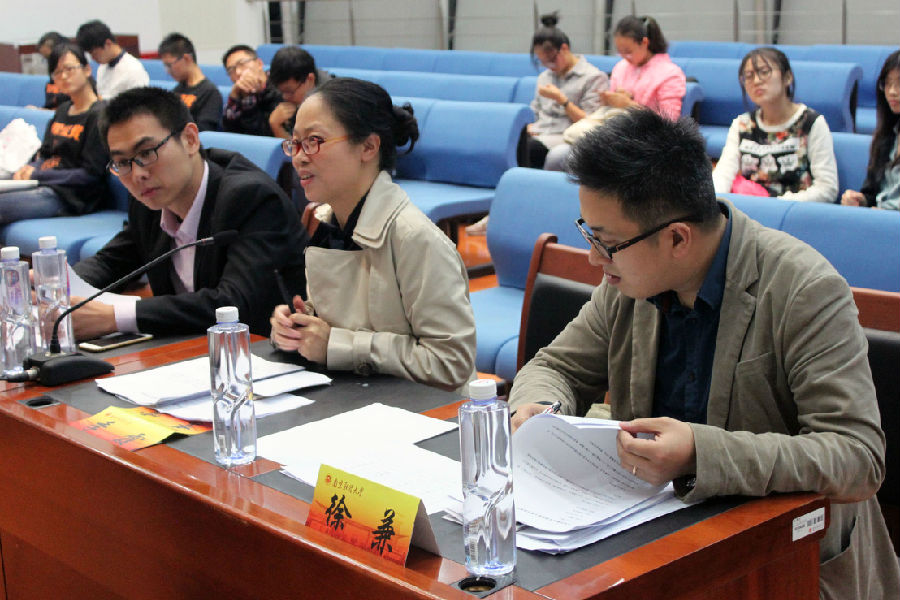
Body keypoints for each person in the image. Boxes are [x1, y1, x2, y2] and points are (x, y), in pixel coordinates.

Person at [507, 108, 899, 599]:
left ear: (676, 238)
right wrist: (541, 410)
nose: (592, 258)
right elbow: (556, 365)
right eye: (589, 235)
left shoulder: (804, 289)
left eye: (604, 243)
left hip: (784, 558)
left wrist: (699, 453)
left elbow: (857, 457)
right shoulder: (628, 282)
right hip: (657, 540)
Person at [269, 78, 476, 392]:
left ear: (368, 146)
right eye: (294, 143)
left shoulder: (415, 238)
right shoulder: (326, 219)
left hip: (425, 414)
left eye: (314, 141)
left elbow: (451, 363)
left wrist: (337, 345)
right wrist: (299, 326)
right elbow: (345, 323)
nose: (298, 156)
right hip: (356, 394)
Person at [71, 87, 308, 339]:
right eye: (122, 162)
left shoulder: (251, 197)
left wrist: (114, 317)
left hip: (260, 355)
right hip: (189, 350)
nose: (137, 173)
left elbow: (232, 305)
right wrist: (58, 286)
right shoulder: (150, 199)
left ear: (190, 140)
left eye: (146, 153)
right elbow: (112, 261)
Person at [467, 12, 606, 234]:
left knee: (527, 150)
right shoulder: (544, 78)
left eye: (551, 60)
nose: (548, 67)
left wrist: (562, 100)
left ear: (564, 49)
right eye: (543, 62)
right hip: (541, 134)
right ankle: (501, 210)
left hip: (567, 136)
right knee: (506, 145)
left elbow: (590, 122)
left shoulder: (593, 77)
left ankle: (504, 213)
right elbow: (535, 111)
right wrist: (527, 126)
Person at [543, 15, 687, 171]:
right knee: (557, 156)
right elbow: (609, 111)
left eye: (628, 51)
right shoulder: (621, 67)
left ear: (644, 43)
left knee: (563, 158)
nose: (624, 56)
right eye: (620, 52)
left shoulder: (670, 74)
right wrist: (609, 99)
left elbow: (669, 121)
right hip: (613, 132)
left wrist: (629, 105)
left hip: (644, 140)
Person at [712, 47, 838, 202]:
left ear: (787, 77)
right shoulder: (742, 125)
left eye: (764, 72)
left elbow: (827, 188)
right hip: (749, 214)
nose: (756, 81)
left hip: (795, 213)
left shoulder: (811, 123)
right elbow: (722, 175)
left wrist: (777, 206)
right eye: (749, 76)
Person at [2, 42, 109, 224]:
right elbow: (45, 153)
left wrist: (36, 175)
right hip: (43, 184)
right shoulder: (63, 110)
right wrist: (30, 169)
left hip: (72, 196)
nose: (64, 76)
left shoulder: (99, 114)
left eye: (69, 69)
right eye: (57, 72)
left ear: (86, 70)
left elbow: (90, 174)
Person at [842, 49, 900, 211]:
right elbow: (874, 193)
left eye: (899, 83)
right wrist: (862, 201)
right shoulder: (888, 134)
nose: (892, 91)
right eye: (887, 83)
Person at [158, 33, 223, 132]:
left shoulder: (210, 93)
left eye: (169, 65)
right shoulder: (177, 90)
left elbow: (204, 132)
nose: (168, 71)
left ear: (186, 58)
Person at [267, 46, 334, 140]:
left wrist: (276, 127)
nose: (284, 97)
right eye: (281, 91)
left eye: (289, 92)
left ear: (310, 79)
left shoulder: (333, 105)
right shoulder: (275, 89)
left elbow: (305, 151)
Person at [75, 19, 149, 100]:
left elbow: (139, 104)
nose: (93, 58)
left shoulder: (133, 70)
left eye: (95, 54)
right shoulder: (102, 67)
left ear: (108, 44)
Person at [221, 45, 283, 137]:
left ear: (259, 63)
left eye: (242, 64)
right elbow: (229, 136)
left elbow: (262, 135)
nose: (238, 72)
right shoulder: (238, 93)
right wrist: (234, 98)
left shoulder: (281, 87)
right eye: (231, 70)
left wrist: (254, 97)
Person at [34, 31, 69, 110]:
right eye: (46, 59)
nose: (50, 64)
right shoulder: (51, 83)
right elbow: (50, 107)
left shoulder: (77, 84)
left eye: (51, 58)